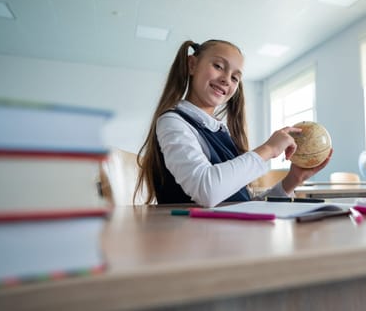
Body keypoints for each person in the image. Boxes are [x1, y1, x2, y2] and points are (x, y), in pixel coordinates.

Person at [134, 39, 332, 207]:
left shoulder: (220, 130)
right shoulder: (172, 122)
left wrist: (294, 179)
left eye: (235, 77)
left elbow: (242, 206)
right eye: (218, 66)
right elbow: (207, 191)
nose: (226, 80)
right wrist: (268, 149)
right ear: (192, 64)